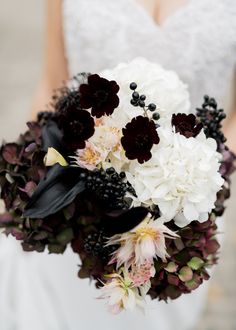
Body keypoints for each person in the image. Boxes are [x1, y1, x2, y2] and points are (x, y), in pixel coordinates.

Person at [1, 1, 236, 329]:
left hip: (176, 219)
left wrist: (206, 175)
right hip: (77, 207)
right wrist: (31, 183)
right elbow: (51, 83)